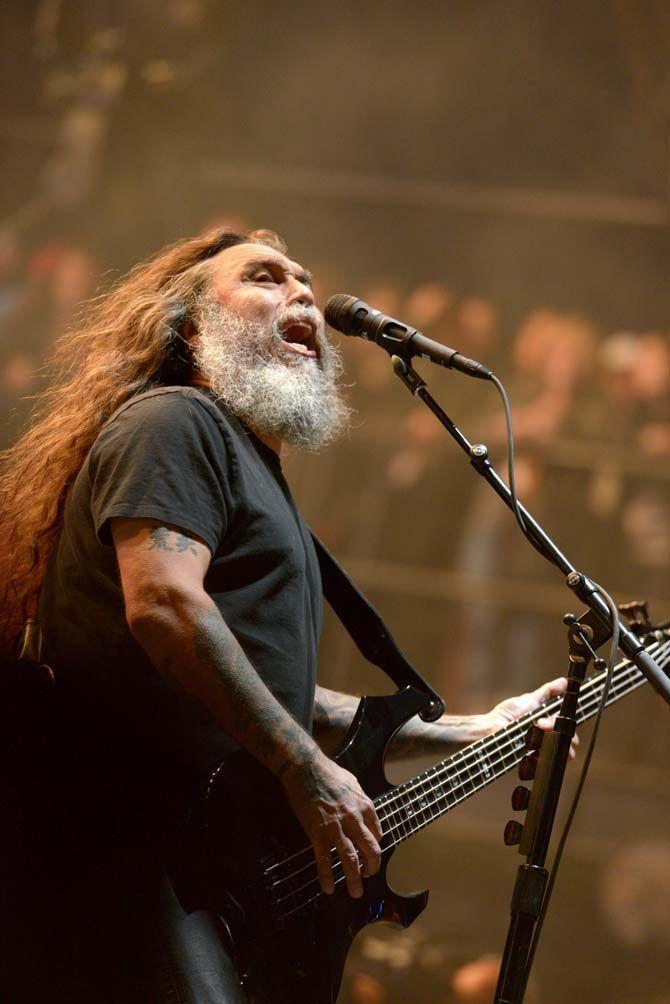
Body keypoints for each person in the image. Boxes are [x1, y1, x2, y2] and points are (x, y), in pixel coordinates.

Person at [0, 226, 574, 1004]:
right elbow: (166, 606)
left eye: (304, 280)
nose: (301, 292)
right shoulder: (175, 421)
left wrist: (473, 730)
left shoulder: (250, 466)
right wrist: (304, 769)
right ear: (193, 325)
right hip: (127, 853)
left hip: (198, 868)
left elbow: (269, 689)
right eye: (266, 278)